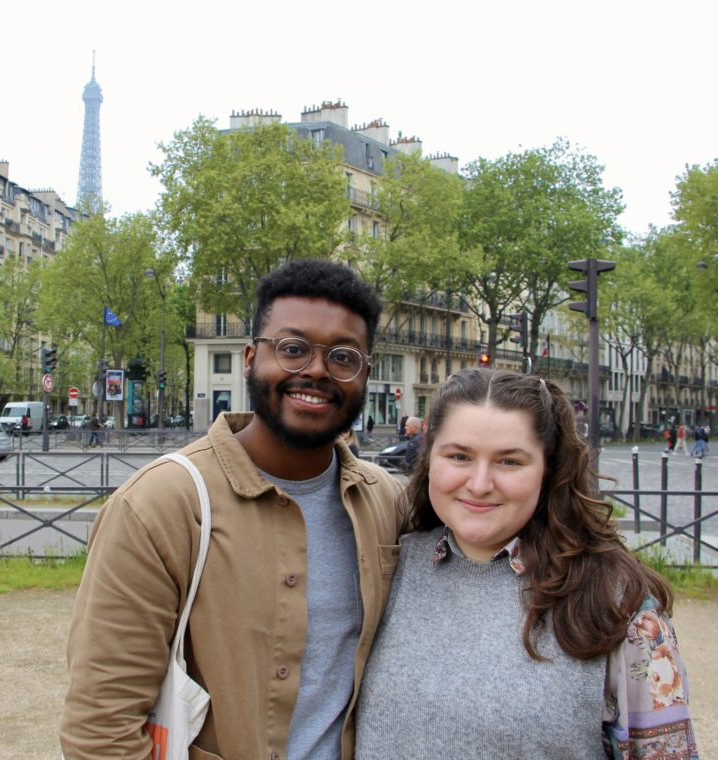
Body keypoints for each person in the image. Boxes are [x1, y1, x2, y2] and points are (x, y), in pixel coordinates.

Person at [61, 259, 406, 759]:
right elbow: (101, 729)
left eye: (343, 357)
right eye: (292, 349)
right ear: (249, 358)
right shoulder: (161, 505)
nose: (315, 369)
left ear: (365, 375)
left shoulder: (388, 502)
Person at [355, 369, 697, 758]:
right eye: (459, 456)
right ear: (429, 457)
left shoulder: (616, 601)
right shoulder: (390, 566)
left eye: (510, 462)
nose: (480, 483)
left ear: (548, 470)